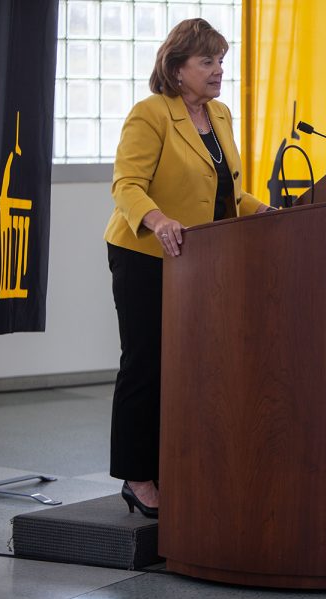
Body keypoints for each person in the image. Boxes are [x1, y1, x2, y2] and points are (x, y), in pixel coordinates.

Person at [104, 18, 270, 518]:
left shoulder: (219, 116)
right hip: (146, 255)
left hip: (202, 262)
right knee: (147, 364)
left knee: (195, 369)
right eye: (208, 62)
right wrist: (158, 220)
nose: (219, 70)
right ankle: (137, 476)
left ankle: (179, 464)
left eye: (221, 60)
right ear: (177, 70)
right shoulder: (150, 114)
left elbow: (225, 192)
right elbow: (127, 185)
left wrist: (263, 211)